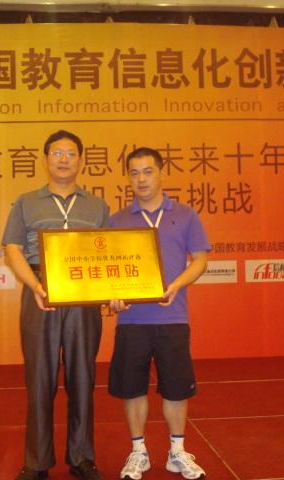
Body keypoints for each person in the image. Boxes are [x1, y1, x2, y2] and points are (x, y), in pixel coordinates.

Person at [2, 130, 109, 480]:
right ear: (46, 159)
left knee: (83, 376)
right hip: (40, 290)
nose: (64, 159)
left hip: (84, 293)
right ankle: (36, 462)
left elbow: (110, 254)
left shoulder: (98, 206)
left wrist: (113, 289)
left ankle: (81, 458)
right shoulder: (26, 202)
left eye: (70, 153)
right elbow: (13, 248)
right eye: (57, 153)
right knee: (39, 378)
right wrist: (34, 285)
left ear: (80, 160)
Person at [108, 147, 211, 480]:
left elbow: (200, 259)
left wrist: (177, 284)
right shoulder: (117, 221)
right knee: (132, 388)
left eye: (148, 171)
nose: (141, 179)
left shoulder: (185, 215)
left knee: (176, 388)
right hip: (132, 320)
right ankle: (138, 452)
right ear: (128, 178)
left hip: (172, 318)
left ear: (162, 173)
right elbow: (108, 270)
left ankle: (176, 452)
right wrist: (112, 295)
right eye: (134, 173)